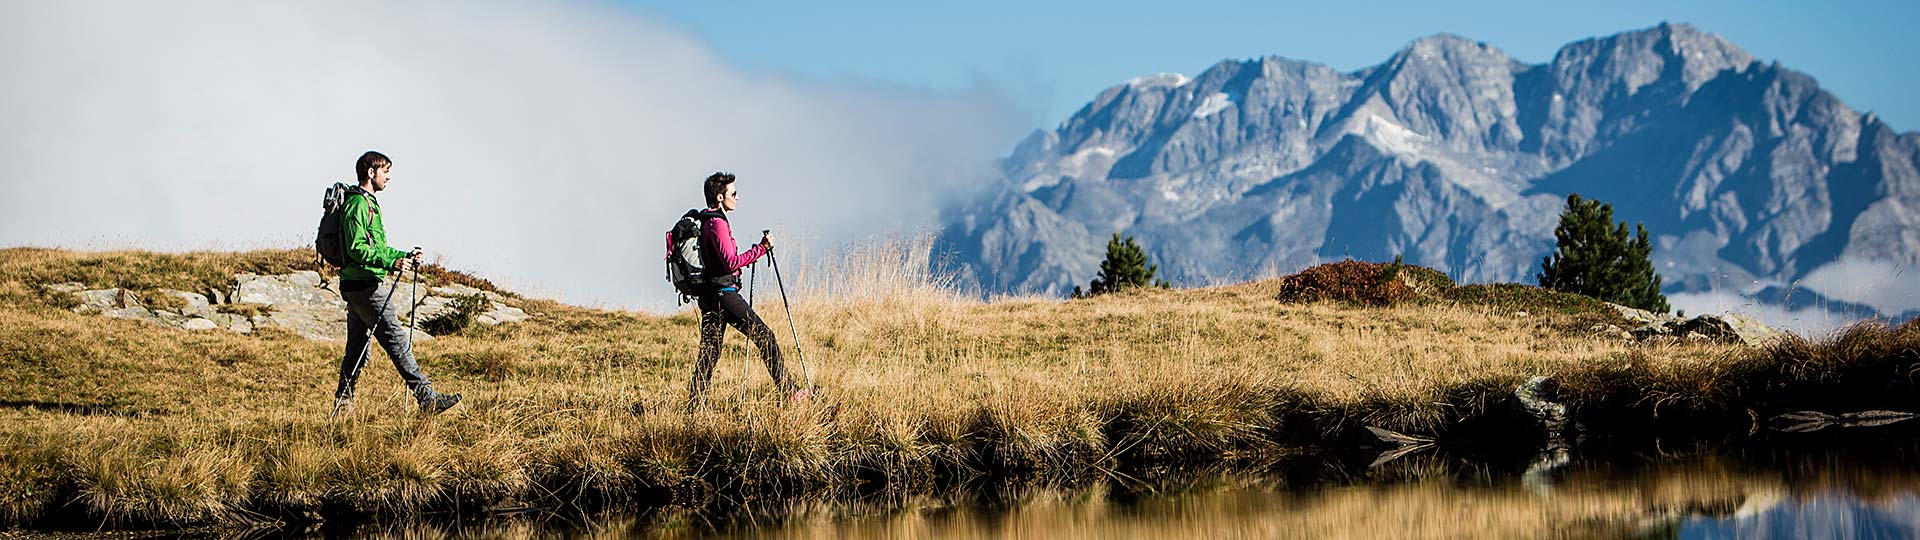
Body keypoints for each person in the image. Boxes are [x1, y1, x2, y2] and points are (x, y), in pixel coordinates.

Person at [331, 150, 461, 417]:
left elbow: (376, 247)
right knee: (397, 342)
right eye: (385, 171)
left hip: (357, 285)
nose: (388, 177)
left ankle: (343, 405)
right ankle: (427, 398)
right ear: (371, 172)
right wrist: (391, 263)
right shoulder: (358, 205)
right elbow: (357, 248)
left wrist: (403, 257)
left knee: (356, 350)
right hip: (366, 287)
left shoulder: (366, 203)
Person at [687, 172, 809, 411]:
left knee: (710, 350)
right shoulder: (717, 224)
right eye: (733, 194)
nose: (738, 197)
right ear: (720, 197)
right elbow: (730, 262)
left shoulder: (708, 222)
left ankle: (694, 406)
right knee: (765, 336)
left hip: (710, 296)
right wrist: (761, 249)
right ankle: (790, 391)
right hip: (724, 294)